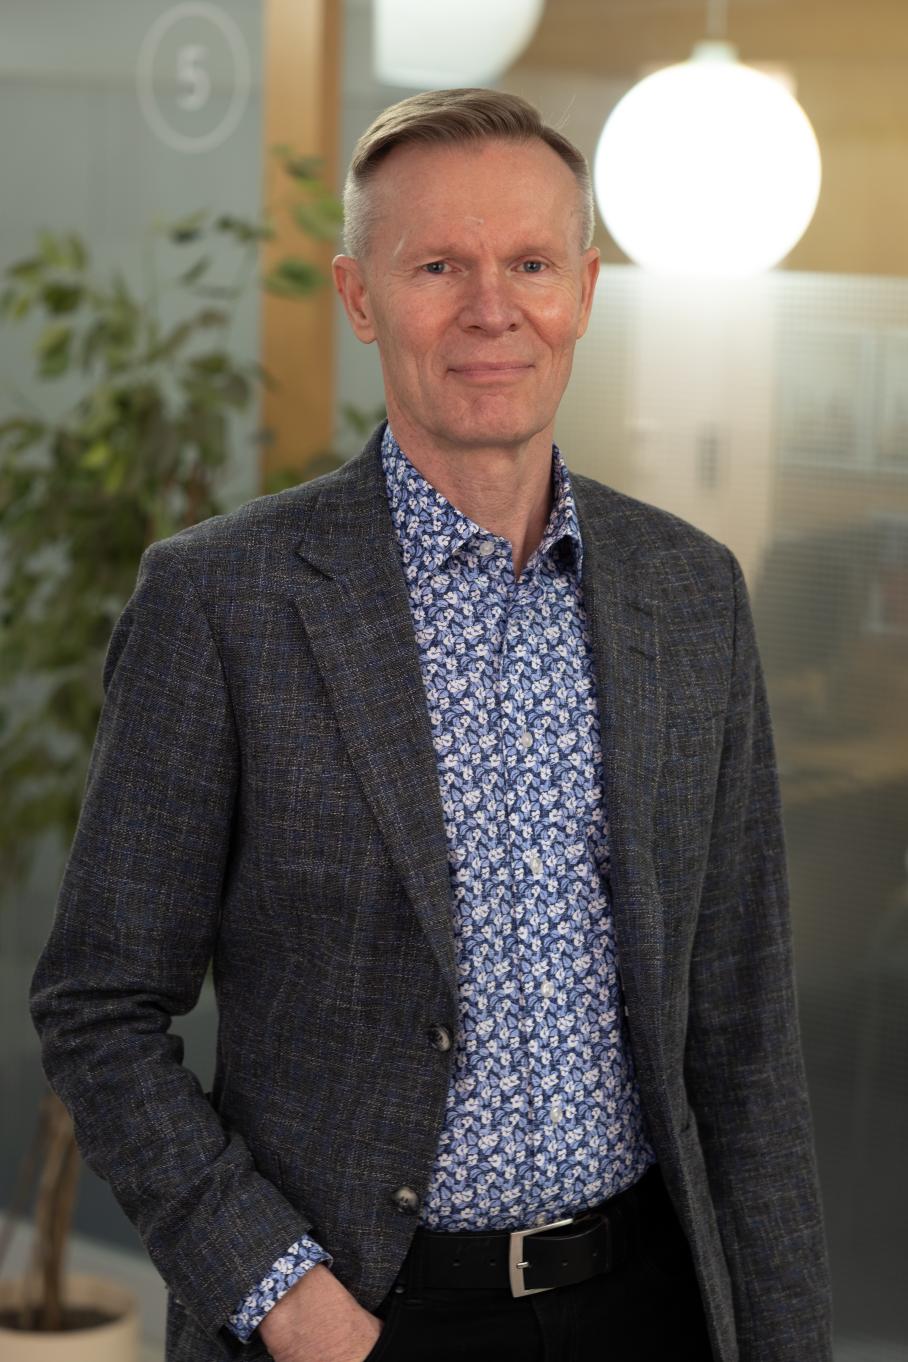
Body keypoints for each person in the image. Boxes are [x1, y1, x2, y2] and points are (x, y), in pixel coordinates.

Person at [29, 88, 833, 1362]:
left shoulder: (689, 592)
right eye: (438, 266)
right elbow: (98, 1006)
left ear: (584, 290)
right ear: (359, 297)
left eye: (530, 264)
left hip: (648, 1304)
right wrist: (285, 1297)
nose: (490, 309)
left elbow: (740, 1034)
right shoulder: (221, 601)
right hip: (358, 1319)